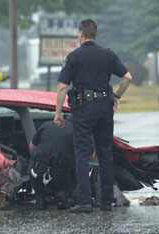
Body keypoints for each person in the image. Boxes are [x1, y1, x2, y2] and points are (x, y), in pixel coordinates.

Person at [54, 19, 133, 213]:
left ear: (81, 35)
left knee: (82, 153)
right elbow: (127, 78)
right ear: (94, 34)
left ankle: (85, 202)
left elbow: (62, 87)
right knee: (105, 153)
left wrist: (57, 113)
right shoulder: (108, 54)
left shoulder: (74, 57)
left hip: (83, 109)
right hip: (105, 108)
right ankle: (106, 202)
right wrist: (116, 96)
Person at [29, 117, 76, 210]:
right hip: (60, 172)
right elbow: (88, 154)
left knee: (35, 166)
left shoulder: (46, 125)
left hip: (37, 169)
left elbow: (31, 146)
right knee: (76, 166)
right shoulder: (77, 129)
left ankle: (40, 199)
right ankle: (62, 195)